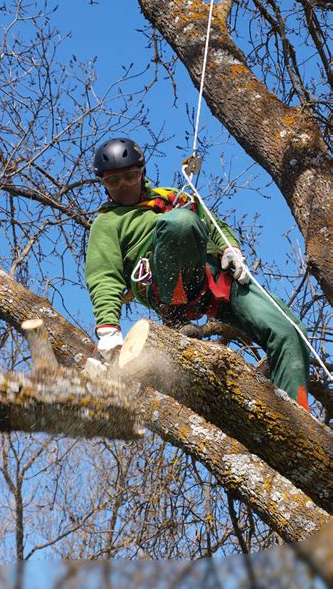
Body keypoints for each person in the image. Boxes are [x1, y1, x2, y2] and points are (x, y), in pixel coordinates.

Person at [85, 137, 310, 410]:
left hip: (212, 276)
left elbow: (213, 223)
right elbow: (103, 277)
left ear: (141, 172)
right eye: (113, 181)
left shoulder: (171, 197)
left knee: (289, 330)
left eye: (129, 176)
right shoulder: (107, 223)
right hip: (162, 283)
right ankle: (176, 311)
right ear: (104, 184)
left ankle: (296, 416)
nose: (123, 186)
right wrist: (109, 329)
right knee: (180, 222)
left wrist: (231, 249)